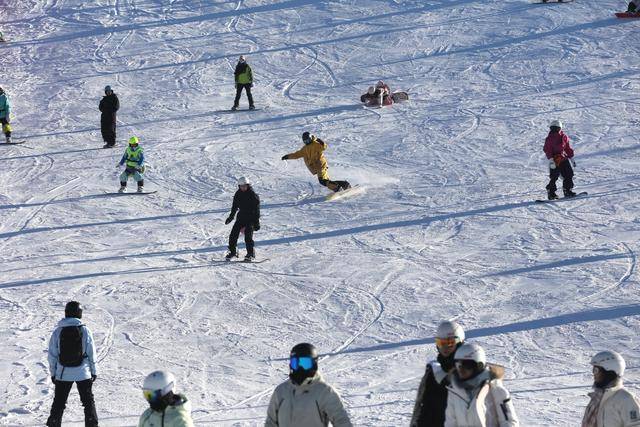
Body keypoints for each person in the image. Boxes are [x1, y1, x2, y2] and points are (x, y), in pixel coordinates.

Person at [265, 343, 352, 427]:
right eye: (295, 363)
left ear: (314, 364)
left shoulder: (324, 392)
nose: (300, 368)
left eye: (305, 363)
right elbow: (271, 422)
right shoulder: (281, 391)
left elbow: (342, 422)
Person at [46, 301, 98, 427]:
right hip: (83, 373)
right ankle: (92, 424)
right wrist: (94, 371)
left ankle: (54, 423)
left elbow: (52, 356)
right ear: (80, 314)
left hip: (63, 374)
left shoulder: (58, 332)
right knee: (88, 402)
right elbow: (91, 353)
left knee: (59, 402)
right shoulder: (85, 330)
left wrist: (53, 374)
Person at [444, 343, 519, 427]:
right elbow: (450, 423)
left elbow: (510, 422)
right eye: (458, 365)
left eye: (467, 365)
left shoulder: (495, 389)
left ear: (479, 366)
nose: (461, 370)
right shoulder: (454, 391)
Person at [410, 321, 466, 427]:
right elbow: (422, 408)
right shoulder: (434, 371)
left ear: (459, 342)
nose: (445, 348)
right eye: (441, 343)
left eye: (450, 343)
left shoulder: (469, 371)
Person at [581, 350, 640, 427]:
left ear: (609, 372)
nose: (593, 374)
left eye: (596, 370)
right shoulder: (596, 398)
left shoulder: (626, 399)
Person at [281, 132, 351, 193]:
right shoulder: (304, 149)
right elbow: (296, 155)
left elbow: (323, 147)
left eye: (308, 140)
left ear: (311, 138)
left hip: (320, 165)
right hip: (316, 167)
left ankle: (337, 188)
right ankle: (345, 185)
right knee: (326, 181)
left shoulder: (315, 144)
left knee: (322, 181)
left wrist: (319, 141)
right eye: (305, 141)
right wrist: (287, 156)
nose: (307, 142)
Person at [224, 177, 260, 261]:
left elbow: (257, 210)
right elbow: (234, 207)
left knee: (248, 235)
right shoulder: (238, 194)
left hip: (250, 218)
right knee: (233, 235)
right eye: (241, 186)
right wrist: (231, 217)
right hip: (241, 217)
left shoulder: (253, 195)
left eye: (244, 186)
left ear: (248, 185)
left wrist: (256, 222)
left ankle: (250, 254)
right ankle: (233, 252)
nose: (243, 188)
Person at [543, 119, 577, 200]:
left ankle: (567, 190)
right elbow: (547, 149)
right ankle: (551, 192)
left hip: (563, 158)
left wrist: (571, 158)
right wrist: (551, 160)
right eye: (553, 128)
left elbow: (567, 148)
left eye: (556, 128)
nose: (555, 130)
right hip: (554, 159)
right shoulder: (549, 138)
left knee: (569, 174)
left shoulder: (564, 137)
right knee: (554, 176)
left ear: (560, 128)